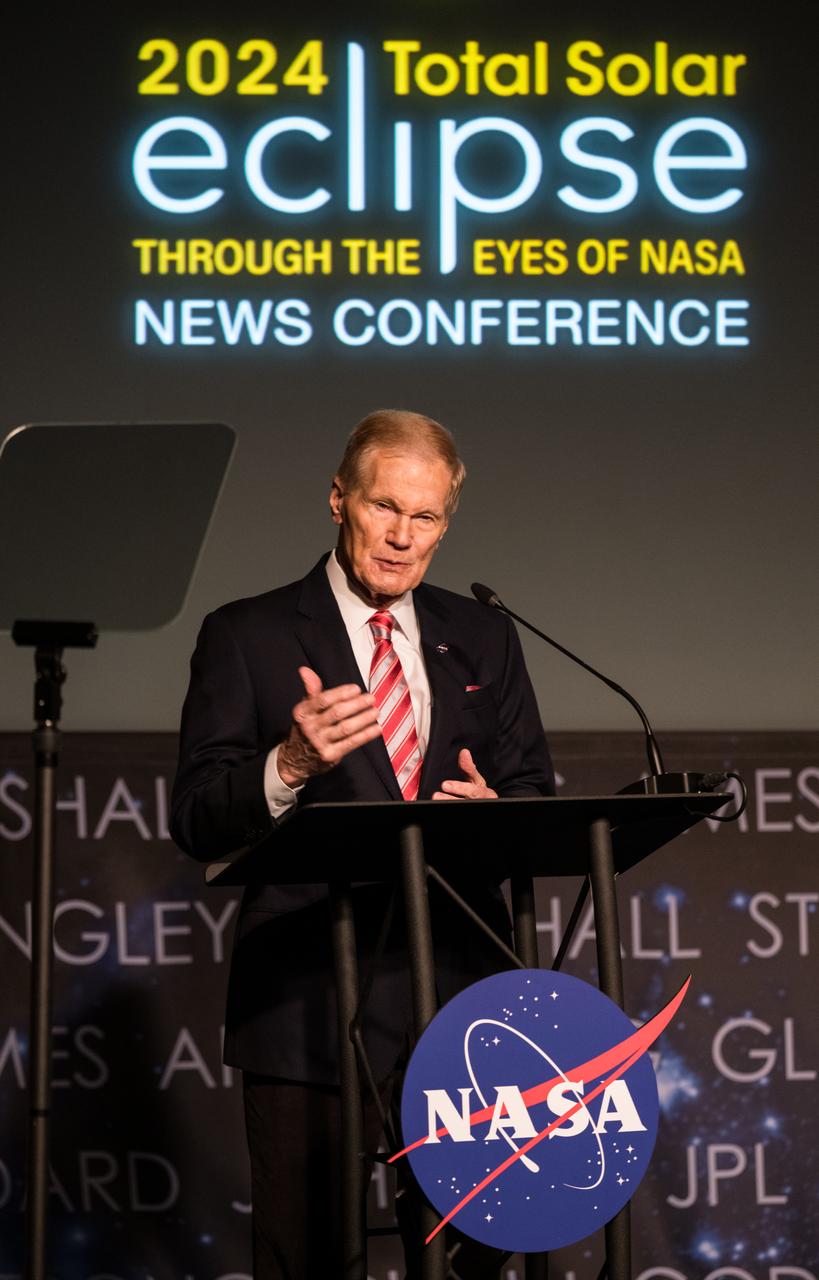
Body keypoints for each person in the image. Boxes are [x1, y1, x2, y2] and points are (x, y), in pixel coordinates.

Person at [170, 409, 554, 1278]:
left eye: (424, 518)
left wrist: (497, 811)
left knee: (481, 1255)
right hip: (309, 996)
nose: (401, 536)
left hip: (463, 1003)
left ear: (445, 524)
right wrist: (290, 762)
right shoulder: (247, 635)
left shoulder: (484, 632)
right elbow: (195, 814)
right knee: (305, 1254)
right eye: (384, 508)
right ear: (338, 500)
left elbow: (533, 787)